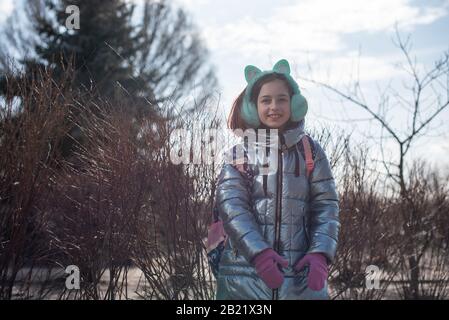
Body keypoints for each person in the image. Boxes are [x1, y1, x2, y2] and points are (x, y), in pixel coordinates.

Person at [214, 59, 340, 300]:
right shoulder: (239, 155)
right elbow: (232, 208)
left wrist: (321, 254)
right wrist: (259, 254)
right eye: (266, 100)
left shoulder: (311, 152)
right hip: (243, 278)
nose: (275, 106)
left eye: (282, 99)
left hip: (300, 279)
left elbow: (327, 206)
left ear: (294, 104)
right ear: (253, 106)